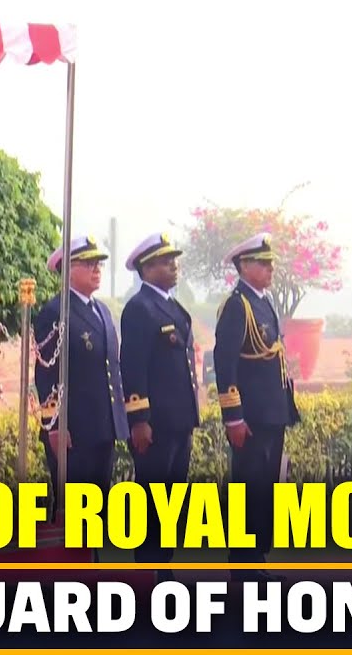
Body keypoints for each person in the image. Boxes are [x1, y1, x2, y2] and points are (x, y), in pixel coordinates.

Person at [213, 232, 300, 582]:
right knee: (247, 486)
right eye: (263, 264)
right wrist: (233, 416)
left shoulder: (263, 302)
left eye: (270, 263)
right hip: (250, 415)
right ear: (244, 267)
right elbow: (225, 362)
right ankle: (242, 561)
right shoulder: (238, 306)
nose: (270, 269)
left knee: (265, 487)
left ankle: (257, 556)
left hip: (272, 411)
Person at [120, 233, 201, 581]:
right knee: (152, 498)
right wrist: (139, 420)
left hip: (180, 419)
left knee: (173, 500)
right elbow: (133, 367)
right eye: (166, 261)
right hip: (155, 424)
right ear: (147, 268)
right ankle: (146, 570)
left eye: (174, 260)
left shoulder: (173, 307)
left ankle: (164, 568)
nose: (174, 266)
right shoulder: (139, 309)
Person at [34, 235, 129, 526]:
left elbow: (111, 367)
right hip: (72, 430)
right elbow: (46, 372)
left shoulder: (102, 311)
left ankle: (93, 569)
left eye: (98, 263)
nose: (96, 269)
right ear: (68, 270)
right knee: (75, 513)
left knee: (97, 512)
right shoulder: (55, 312)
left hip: (103, 426)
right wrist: (54, 424)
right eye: (88, 264)